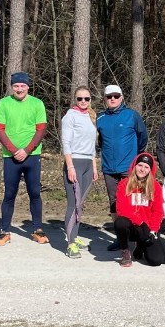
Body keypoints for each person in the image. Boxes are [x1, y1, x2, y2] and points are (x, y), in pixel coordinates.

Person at [0, 72, 48, 246]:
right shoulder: (3, 103)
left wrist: (27, 150)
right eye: (16, 86)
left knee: (35, 193)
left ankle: (37, 230)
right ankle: (5, 231)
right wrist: (14, 150)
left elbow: (40, 129)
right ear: (12, 87)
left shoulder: (37, 104)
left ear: (28, 87)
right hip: (11, 157)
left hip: (32, 156)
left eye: (22, 86)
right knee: (9, 194)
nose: (19, 89)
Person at [97, 84, 148, 225]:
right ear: (105, 99)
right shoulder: (100, 117)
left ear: (122, 98)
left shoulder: (132, 115)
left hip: (128, 167)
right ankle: (120, 235)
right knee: (114, 201)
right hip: (108, 167)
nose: (112, 99)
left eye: (116, 96)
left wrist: (137, 156)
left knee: (134, 199)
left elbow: (143, 136)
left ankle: (136, 232)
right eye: (109, 97)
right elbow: (100, 140)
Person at [61, 86, 99, 258]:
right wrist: (70, 167)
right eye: (80, 99)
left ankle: (74, 237)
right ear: (75, 100)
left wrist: (94, 166)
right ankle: (70, 245)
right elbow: (66, 143)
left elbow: (92, 145)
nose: (83, 102)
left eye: (86, 99)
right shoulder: (70, 116)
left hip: (87, 164)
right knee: (73, 204)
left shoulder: (91, 117)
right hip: (74, 162)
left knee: (80, 204)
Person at [114, 153, 165, 268]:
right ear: (135, 166)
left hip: (148, 228)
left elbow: (158, 211)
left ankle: (141, 246)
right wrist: (139, 221)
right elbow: (121, 209)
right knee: (120, 223)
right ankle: (125, 252)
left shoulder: (155, 187)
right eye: (140, 165)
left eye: (146, 167)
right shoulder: (124, 184)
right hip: (133, 226)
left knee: (156, 260)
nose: (142, 169)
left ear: (150, 170)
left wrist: (153, 229)